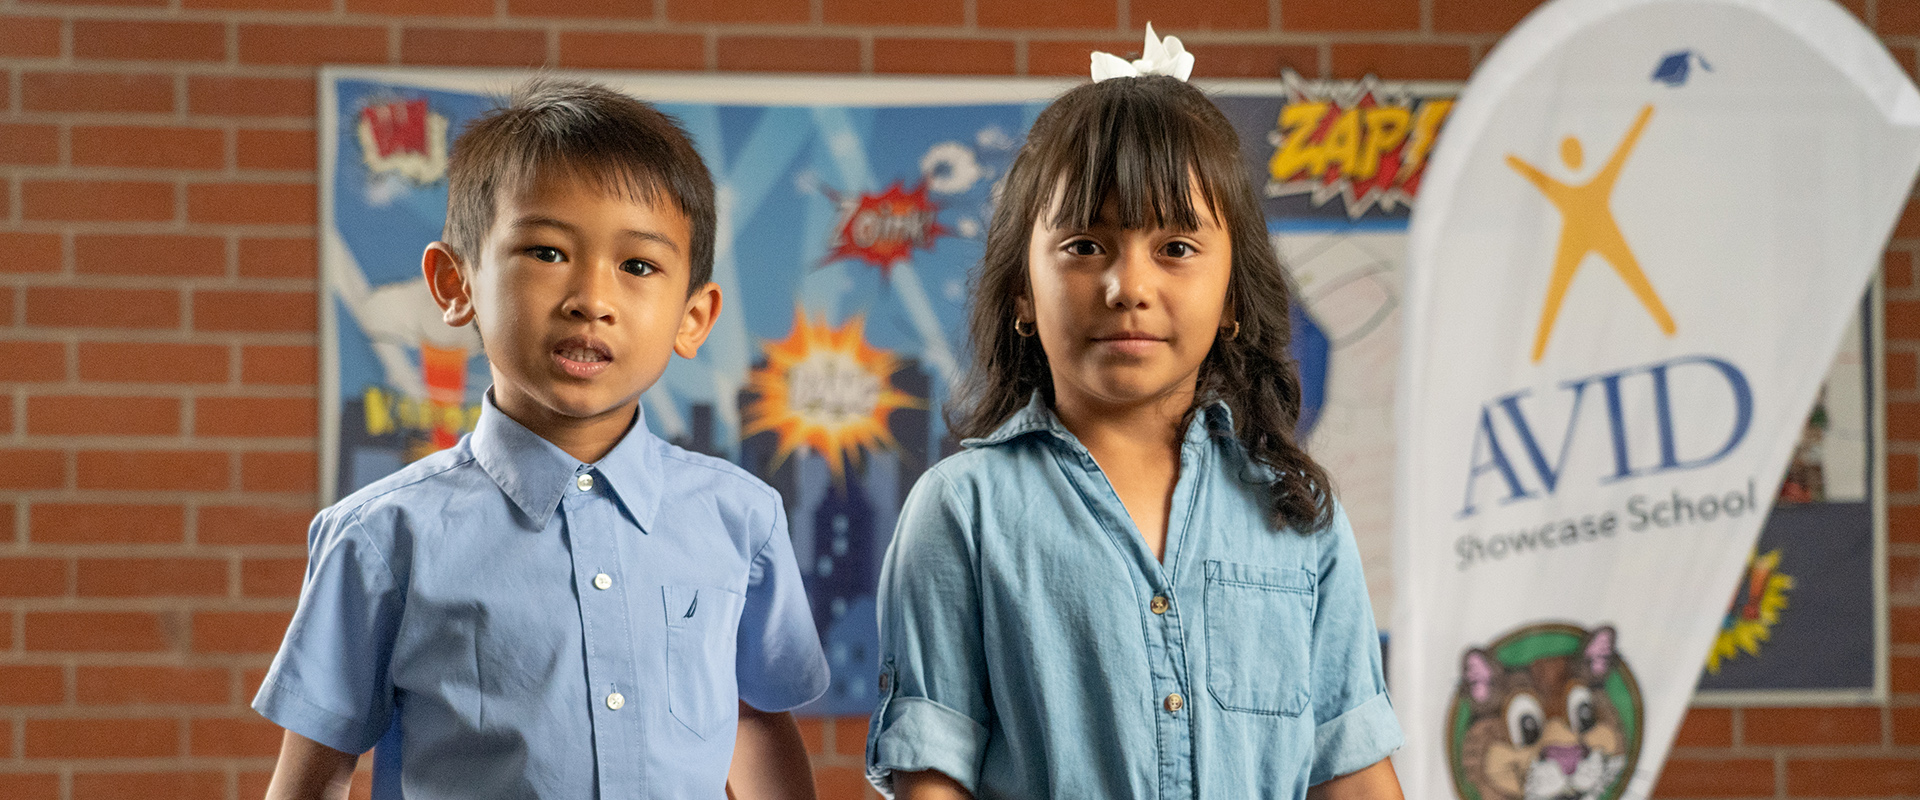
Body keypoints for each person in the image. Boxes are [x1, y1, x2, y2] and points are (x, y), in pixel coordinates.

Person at [864, 32, 1406, 800]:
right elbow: (932, 781)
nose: (1128, 285)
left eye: (1176, 245)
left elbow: (1353, 771)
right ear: (1022, 289)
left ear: (1232, 297)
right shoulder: (962, 511)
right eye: (1086, 244)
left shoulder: (1299, 514)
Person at [254, 79, 828, 800]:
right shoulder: (380, 538)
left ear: (694, 317)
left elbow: (754, 721)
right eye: (547, 252)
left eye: (638, 266)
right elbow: (315, 775)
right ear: (455, 283)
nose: (591, 297)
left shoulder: (741, 519)